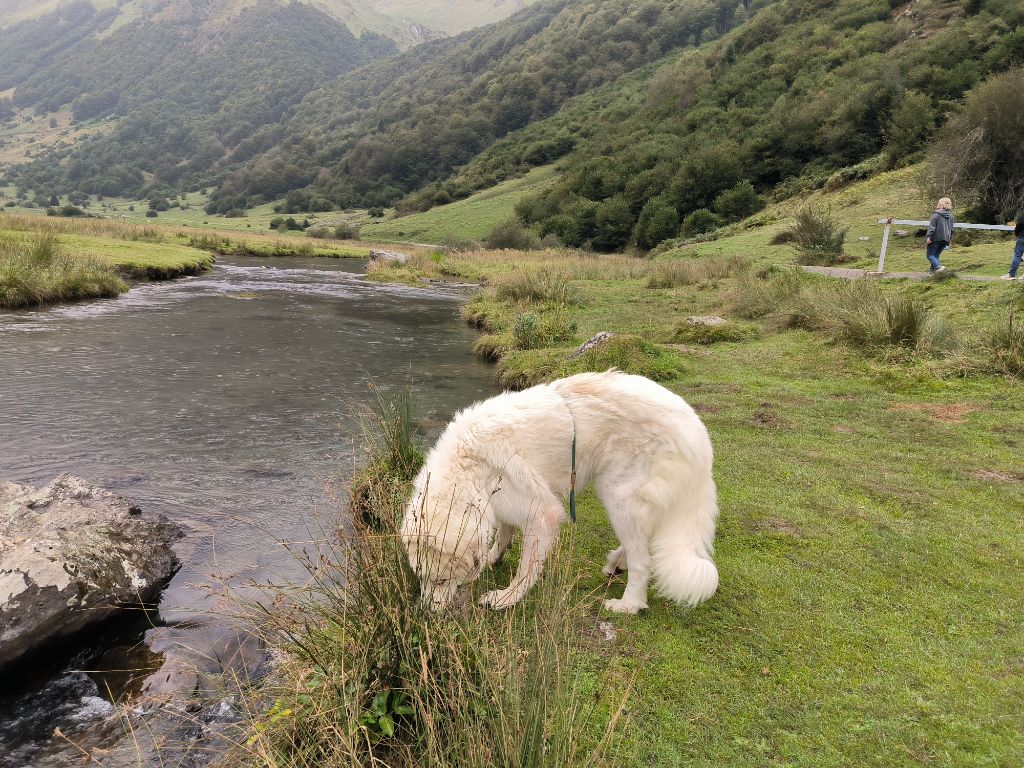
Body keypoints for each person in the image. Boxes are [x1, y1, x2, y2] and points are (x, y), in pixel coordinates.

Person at [925, 197, 953, 273]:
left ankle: (938, 267)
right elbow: (951, 229)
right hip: (945, 239)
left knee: (930, 255)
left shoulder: (936, 214)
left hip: (936, 238)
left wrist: (928, 237)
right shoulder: (951, 216)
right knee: (936, 255)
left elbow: (932, 227)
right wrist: (949, 240)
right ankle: (932, 272)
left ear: (940, 204)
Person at [1000, 212, 1024, 280]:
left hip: (1022, 237)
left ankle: (1011, 275)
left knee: (1017, 255)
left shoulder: (1022, 217)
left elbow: (1018, 228)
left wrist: (1017, 234)